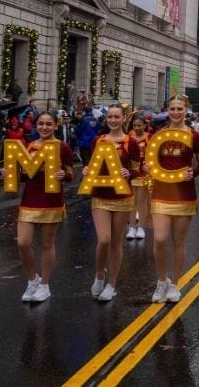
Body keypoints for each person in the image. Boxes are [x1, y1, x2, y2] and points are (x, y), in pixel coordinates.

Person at [11, 112, 74, 302]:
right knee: (23, 242)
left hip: (51, 200)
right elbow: (24, 175)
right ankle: (32, 279)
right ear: (36, 125)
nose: (44, 127)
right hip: (30, 198)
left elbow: (71, 173)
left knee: (47, 243)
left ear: (56, 126)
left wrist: (65, 175)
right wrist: (10, 173)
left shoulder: (63, 147)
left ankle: (45, 285)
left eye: (48, 124)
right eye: (41, 124)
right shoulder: (29, 146)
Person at [149, 95, 199, 304]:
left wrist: (194, 172)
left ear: (186, 110)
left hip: (184, 194)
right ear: (167, 110)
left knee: (179, 241)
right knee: (160, 240)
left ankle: (175, 283)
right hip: (161, 193)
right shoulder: (158, 135)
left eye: (180, 109)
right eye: (172, 109)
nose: (176, 112)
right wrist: (148, 169)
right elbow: (150, 160)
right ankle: (161, 280)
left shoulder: (194, 135)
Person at [84, 104, 140, 302]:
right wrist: (86, 171)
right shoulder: (98, 141)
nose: (113, 120)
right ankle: (100, 275)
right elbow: (92, 164)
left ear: (124, 119)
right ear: (106, 119)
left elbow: (137, 169)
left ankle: (112, 283)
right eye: (110, 117)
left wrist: (129, 173)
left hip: (122, 197)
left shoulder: (130, 143)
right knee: (104, 239)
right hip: (100, 195)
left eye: (117, 117)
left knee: (116, 243)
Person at [126, 114, 150, 240]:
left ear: (145, 126)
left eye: (139, 125)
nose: (136, 127)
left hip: (143, 173)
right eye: (134, 125)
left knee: (142, 202)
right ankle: (131, 227)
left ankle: (141, 227)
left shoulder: (149, 138)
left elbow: (153, 153)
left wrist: (150, 164)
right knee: (131, 202)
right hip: (131, 173)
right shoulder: (128, 137)